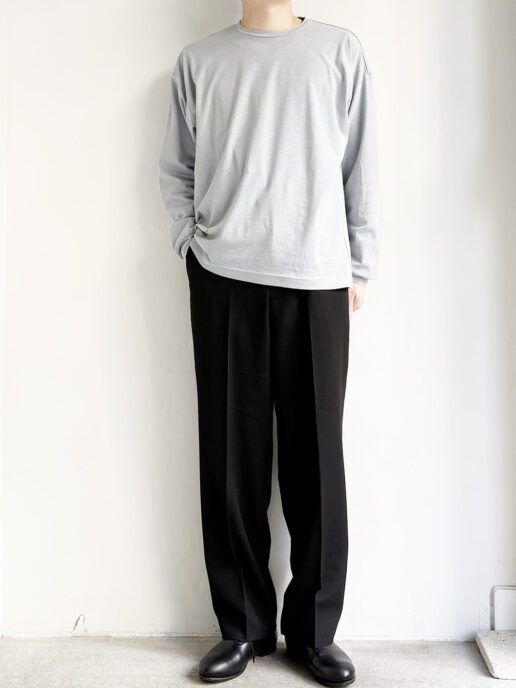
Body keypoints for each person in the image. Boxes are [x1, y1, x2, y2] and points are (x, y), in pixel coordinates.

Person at [158, 1, 382, 684]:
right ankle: (243, 628)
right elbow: (177, 168)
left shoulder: (340, 52)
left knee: (317, 464)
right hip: (223, 277)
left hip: (317, 278)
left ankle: (315, 634)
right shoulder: (199, 61)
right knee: (231, 461)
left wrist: (359, 264)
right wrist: (190, 245)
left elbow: (362, 163)